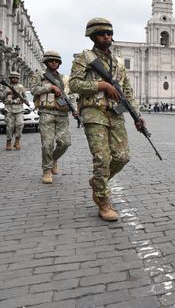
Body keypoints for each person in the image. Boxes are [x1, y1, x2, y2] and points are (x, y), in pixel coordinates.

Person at [69, 17, 146, 222]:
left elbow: (127, 92)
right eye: (103, 33)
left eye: (110, 33)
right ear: (93, 36)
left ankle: (97, 181)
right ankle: (103, 201)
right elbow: (74, 84)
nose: (107, 37)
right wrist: (101, 86)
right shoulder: (83, 58)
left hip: (115, 113)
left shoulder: (119, 64)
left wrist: (137, 115)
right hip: (94, 112)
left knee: (122, 157)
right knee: (102, 158)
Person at [31, 51, 75, 184]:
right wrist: (50, 87)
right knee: (47, 144)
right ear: (46, 62)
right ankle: (46, 170)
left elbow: (71, 94)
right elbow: (34, 90)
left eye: (56, 61)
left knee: (65, 143)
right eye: (51, 61)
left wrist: (72, 106)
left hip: (62, 113)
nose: (54, 63)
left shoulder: (64, 78)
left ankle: (54, 159)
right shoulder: (39, 75)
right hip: (46, 112)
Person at [1, 71, 27, 150]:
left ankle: (17, 141)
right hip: (9, 109)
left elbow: (25, 97)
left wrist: (24, 100)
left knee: (20, 124)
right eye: (13, 78)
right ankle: (8, 142)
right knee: (9, 127)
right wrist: (4, 92)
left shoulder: (21, 87)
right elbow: (1, 98)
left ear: (18, 79)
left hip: (19, 108)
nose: (14, 79)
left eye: (16, 78)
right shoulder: (6, 87)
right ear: (10, 78)